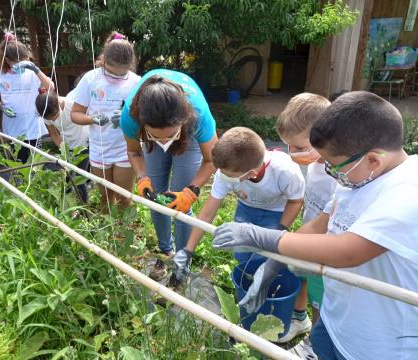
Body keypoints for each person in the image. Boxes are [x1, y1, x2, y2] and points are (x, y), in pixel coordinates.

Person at [212, 91, 418, 360]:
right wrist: (274, 264)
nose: (328, 171)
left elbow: (348, 251)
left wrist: (260, 237)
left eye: (333, 166)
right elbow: (319, 225)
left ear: (373, 160)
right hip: (335, 321)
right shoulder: (357, 179)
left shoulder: (407, 192)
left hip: (378, 344)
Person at [172, 127, 305, 289]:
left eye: (229, 176)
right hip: (246, 209)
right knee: (242, 252)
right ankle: (244, 284)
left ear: (251, 174)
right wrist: (188, 250)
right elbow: (207, 214)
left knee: (265, 257)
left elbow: (295, 201)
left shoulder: (286, 171)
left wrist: (279, 230)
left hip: (276, 214)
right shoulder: (225, 172)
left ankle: (265, 289)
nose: (222, 177)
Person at [121, 69, 218, 281]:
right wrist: (141, 177)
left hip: (188, 138)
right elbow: (134, 151)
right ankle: (166, 252)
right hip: (149, 141)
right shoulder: (130, 117)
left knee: (181, 205)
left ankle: (182, 261)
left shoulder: (198, 115)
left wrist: (192, 191)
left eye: (169, 135)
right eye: (158, 136)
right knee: (155, 198)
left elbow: (213, 159)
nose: (165, 143)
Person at [273, 93, 332, 354]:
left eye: (298, 147)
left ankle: (315, 347)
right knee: (305, 280)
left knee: (322, 299)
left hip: (329, 249)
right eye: (288, 147)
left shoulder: (339, 172)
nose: (292, 154)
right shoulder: (317, 164)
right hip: (311, 240)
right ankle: (300, 319)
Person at [71, 32, 140, 210]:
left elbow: (144, 117)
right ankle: (108, 233)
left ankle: (125, 232)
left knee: (124, 198)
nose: (116, 77)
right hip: (99, 147)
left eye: (121, 74)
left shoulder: (136, 82)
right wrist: (92, 119)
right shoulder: (91, 79)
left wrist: (127, 118)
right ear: (104, 61)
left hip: (125, 148)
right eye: (111, 72)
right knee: (105, 196)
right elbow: (75, 114)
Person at [0, 32, 54, 163]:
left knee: (36, 160)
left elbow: (50, 87)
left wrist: (36, 70)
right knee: (18, 158)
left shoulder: (32, 72)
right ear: (7, 60)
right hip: (13, 124)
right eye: (17, 62)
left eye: (25, 60)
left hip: (33, 122)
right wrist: (2, 107)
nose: (21, 64)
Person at [35, 90, 90, 202]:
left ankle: (85, 210)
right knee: (67, 177)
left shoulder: (73, 105)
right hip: (68, 145)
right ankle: (66, 203)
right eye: (50, 119)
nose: (54, 120)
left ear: (58, 105)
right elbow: (54, 134)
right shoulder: (46, 113)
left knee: (79, 180)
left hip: (84, 144)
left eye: (55, 116)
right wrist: (64, 150)